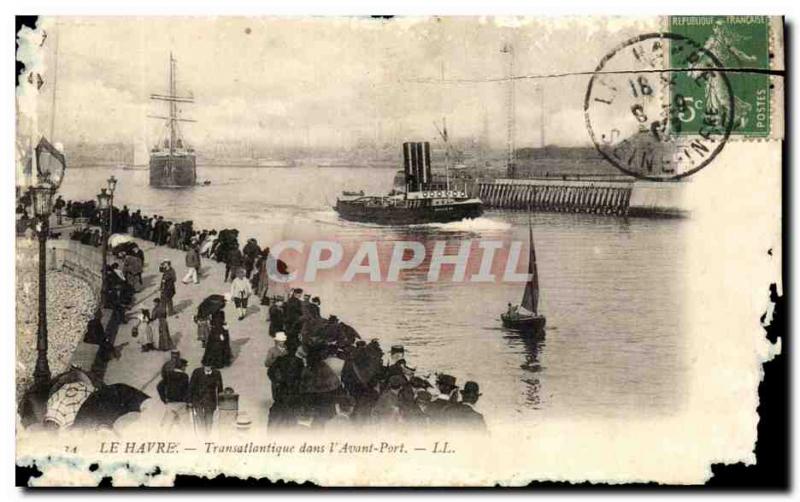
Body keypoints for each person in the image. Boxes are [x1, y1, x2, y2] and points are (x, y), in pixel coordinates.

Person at [157, 357, 190, 431]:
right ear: (182, 367)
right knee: (185, 423)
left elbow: (159, 386)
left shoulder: (168, 375)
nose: (185, 369)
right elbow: (187, 389)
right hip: (181, 403)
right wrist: (188, 401)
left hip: (170, 402)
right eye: (185, 367)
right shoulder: (185, 376)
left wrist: (164, 398)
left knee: (167, 424)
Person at [189, 364, 223, 433]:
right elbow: (191, 387)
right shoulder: (196, 372)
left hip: (210, 400)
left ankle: (207, 436)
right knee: (200, 418)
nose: (208, 367)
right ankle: (202, 436)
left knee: (209, 420)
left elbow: (220, 389)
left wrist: (220, 401)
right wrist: (190, 400)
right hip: (198, 400)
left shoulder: (217, 373)